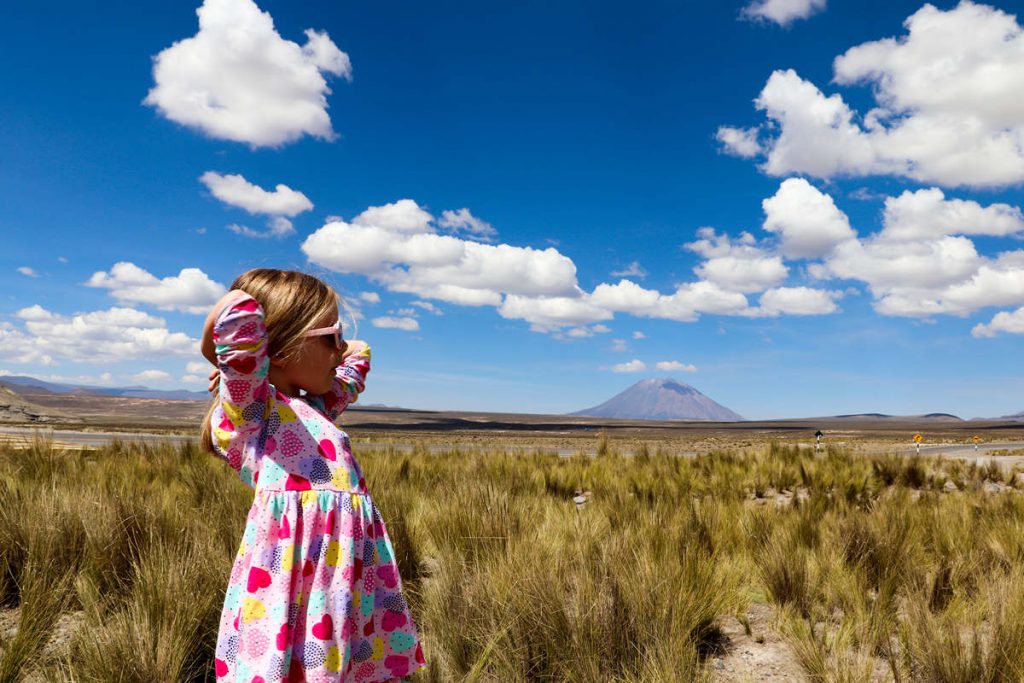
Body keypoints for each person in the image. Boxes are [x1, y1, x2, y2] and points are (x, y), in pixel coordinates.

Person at [199, 268, 424, 682]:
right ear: (279, 350)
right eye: (330, 338)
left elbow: (360, 356)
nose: (340, 351)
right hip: (296, 580)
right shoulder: (252, 413)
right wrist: (217, 351)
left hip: (344, 581)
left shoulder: (317, 405)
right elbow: (239, 315)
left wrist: (328, 335)